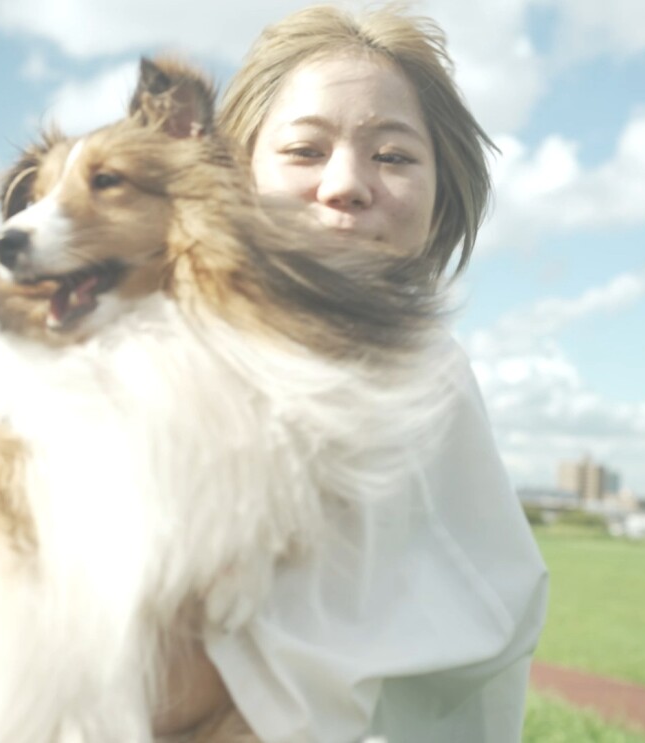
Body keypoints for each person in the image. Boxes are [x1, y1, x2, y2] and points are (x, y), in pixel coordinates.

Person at [153, 5, 550, 741]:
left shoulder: (434, 380)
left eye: (394, 156)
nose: (346, 185)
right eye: (304, 150)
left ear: (440, 199)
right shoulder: (124, 337)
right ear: (231, 178)